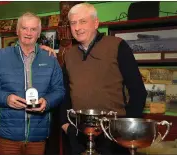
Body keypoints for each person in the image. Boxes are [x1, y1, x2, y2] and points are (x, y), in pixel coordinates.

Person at [60, 3, 148, 155]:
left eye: (83, 21)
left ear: (95, 23)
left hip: (112, 135)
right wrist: (66, 125)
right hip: (78, 133)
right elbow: (64, 92)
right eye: (73, 23)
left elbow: (138, 92)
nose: (77, 27)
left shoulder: (117, 46)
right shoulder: (68, 54)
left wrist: (125, 129)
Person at [0, 12, 65, 155]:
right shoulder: (0, 56)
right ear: (17, 31)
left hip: (37, 134)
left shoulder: (50, 58)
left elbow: (59, 90)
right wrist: (6, 99)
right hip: (7, 134)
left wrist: (46, 102)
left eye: (33, 29)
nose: (28, 33)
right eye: (24, 28)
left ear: (39, 33)